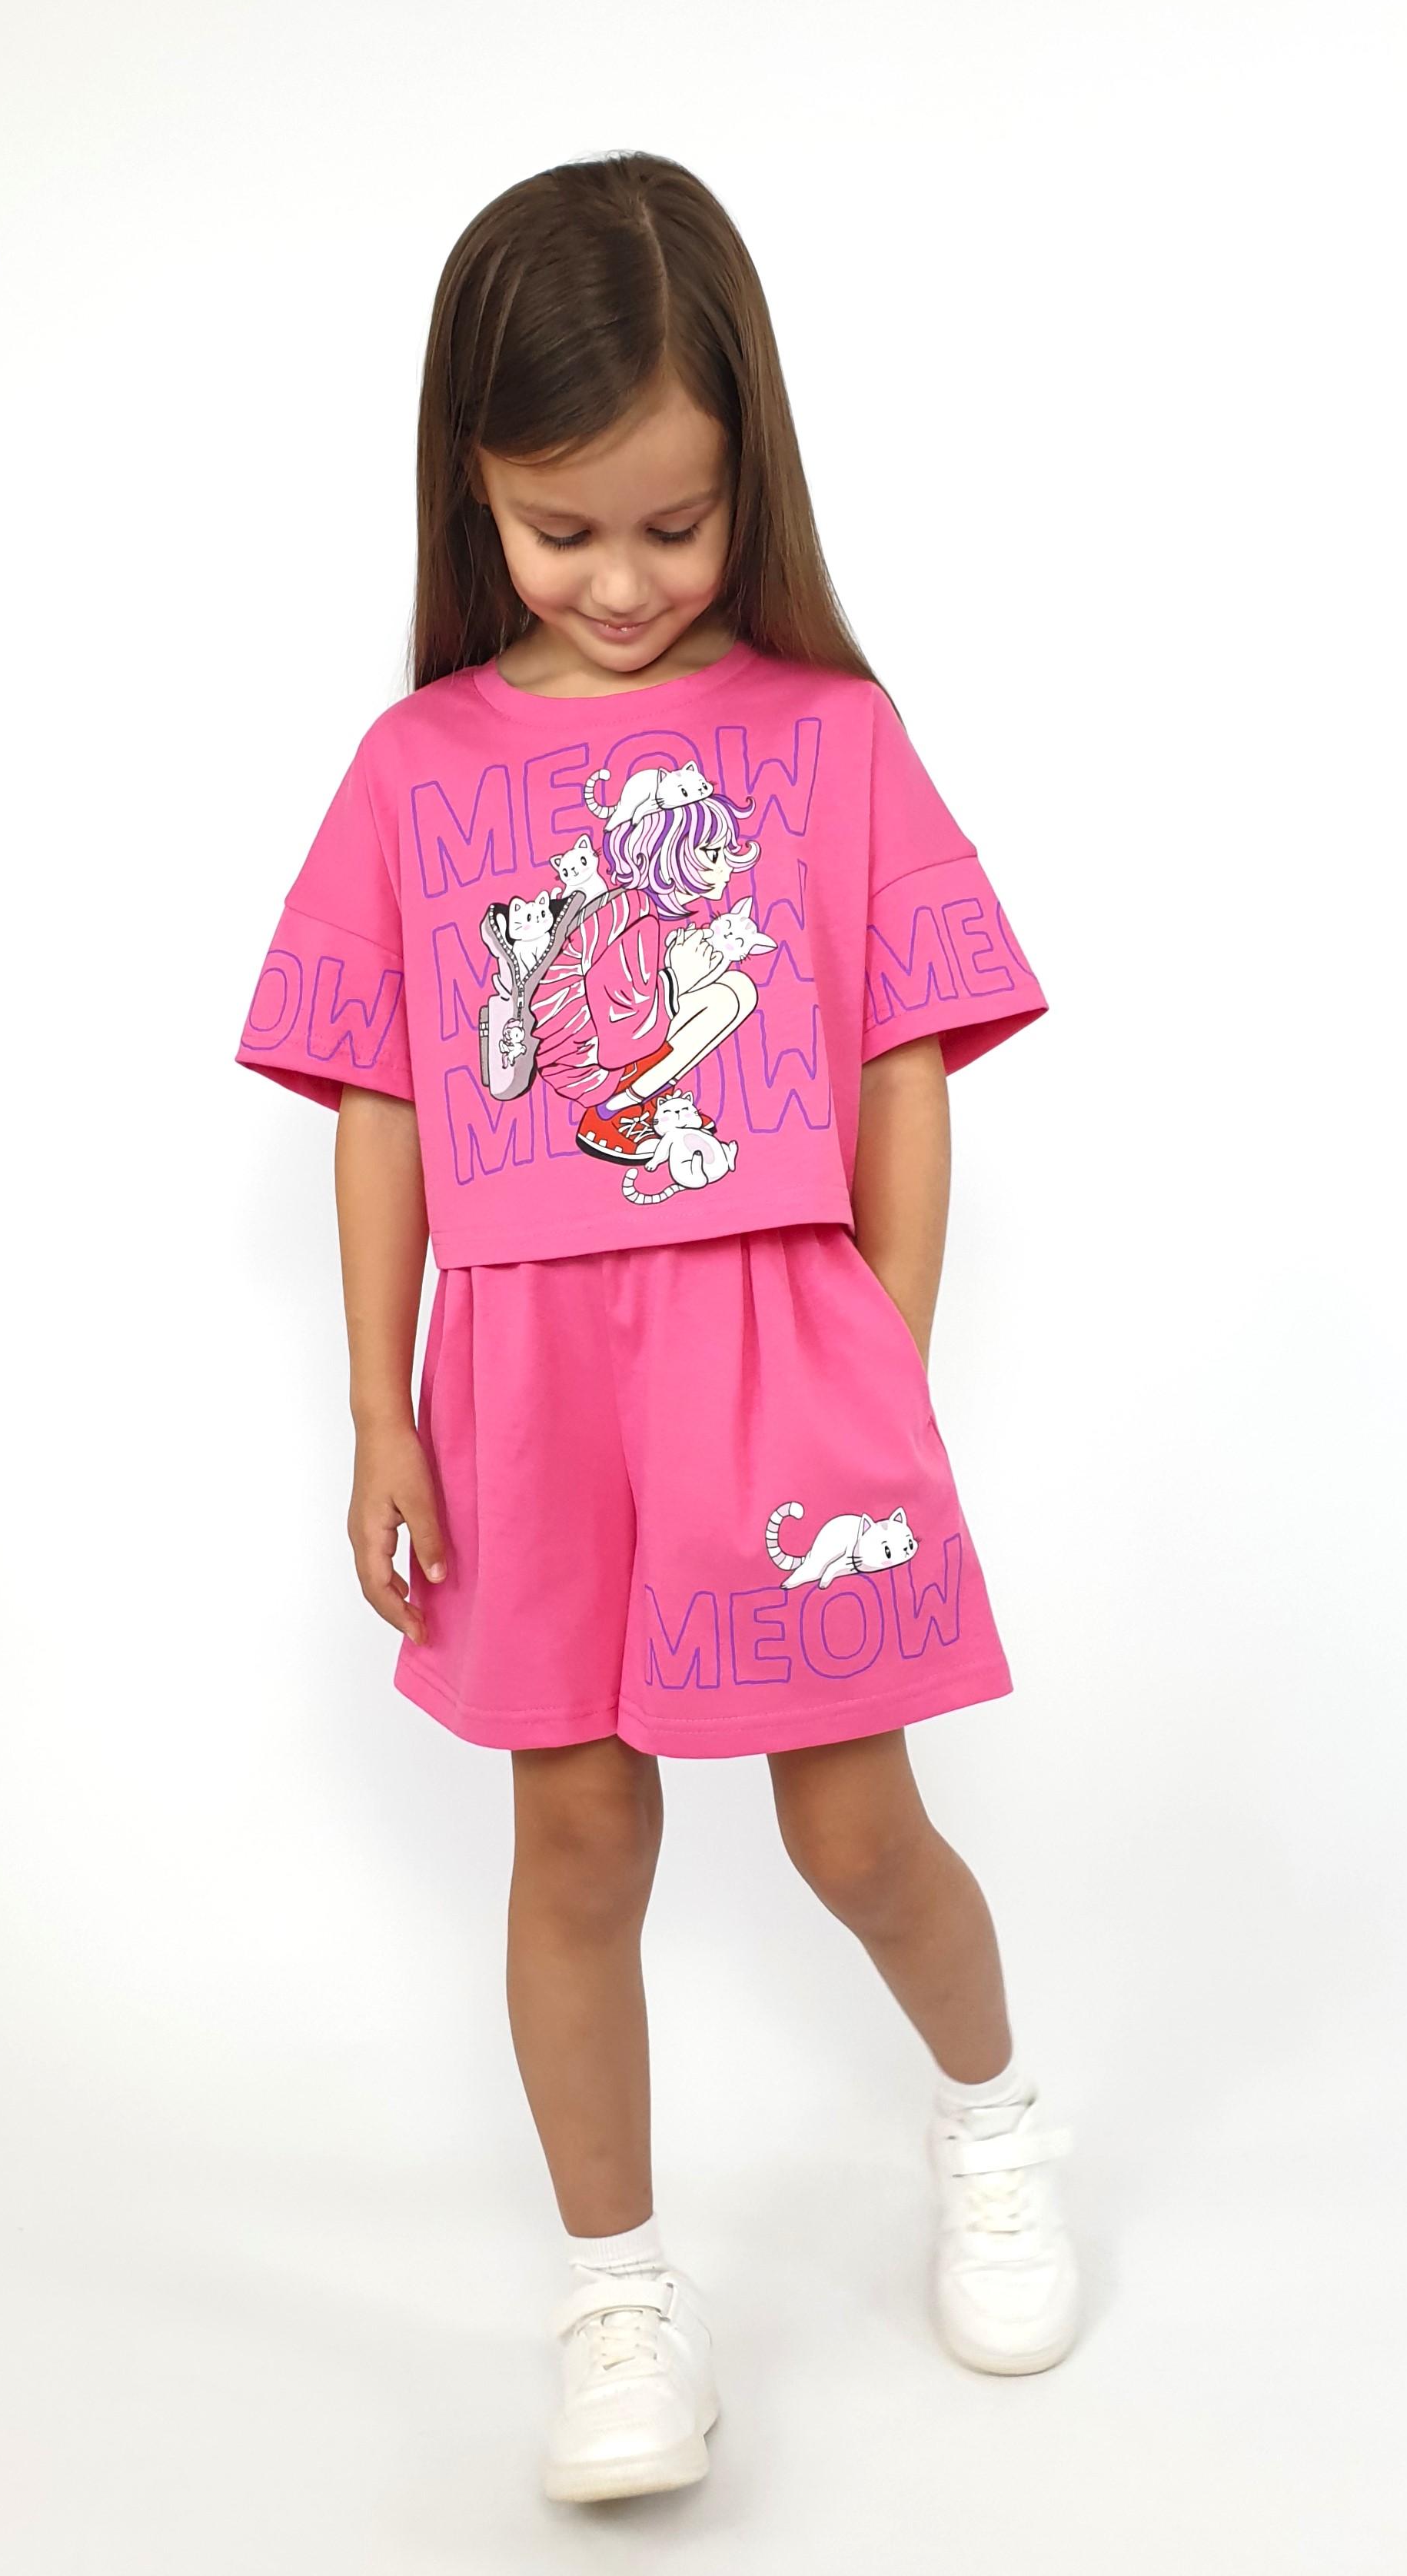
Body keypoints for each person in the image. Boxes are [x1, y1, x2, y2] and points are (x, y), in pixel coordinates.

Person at [234, 151, 1077, 2505]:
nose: (620, 582)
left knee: (857, 1826)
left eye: (674, 527)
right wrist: (378, 1415)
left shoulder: (829, 737)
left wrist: (880, 1350)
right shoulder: (415, 774)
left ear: (749, 479)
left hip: (775, 1362)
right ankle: (617, 2298)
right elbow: (384, 1106)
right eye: (560, 530)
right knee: (580, 1831)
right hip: (524, 1388)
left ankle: (996, 2121)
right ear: (475, 492)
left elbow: (904, 1063)